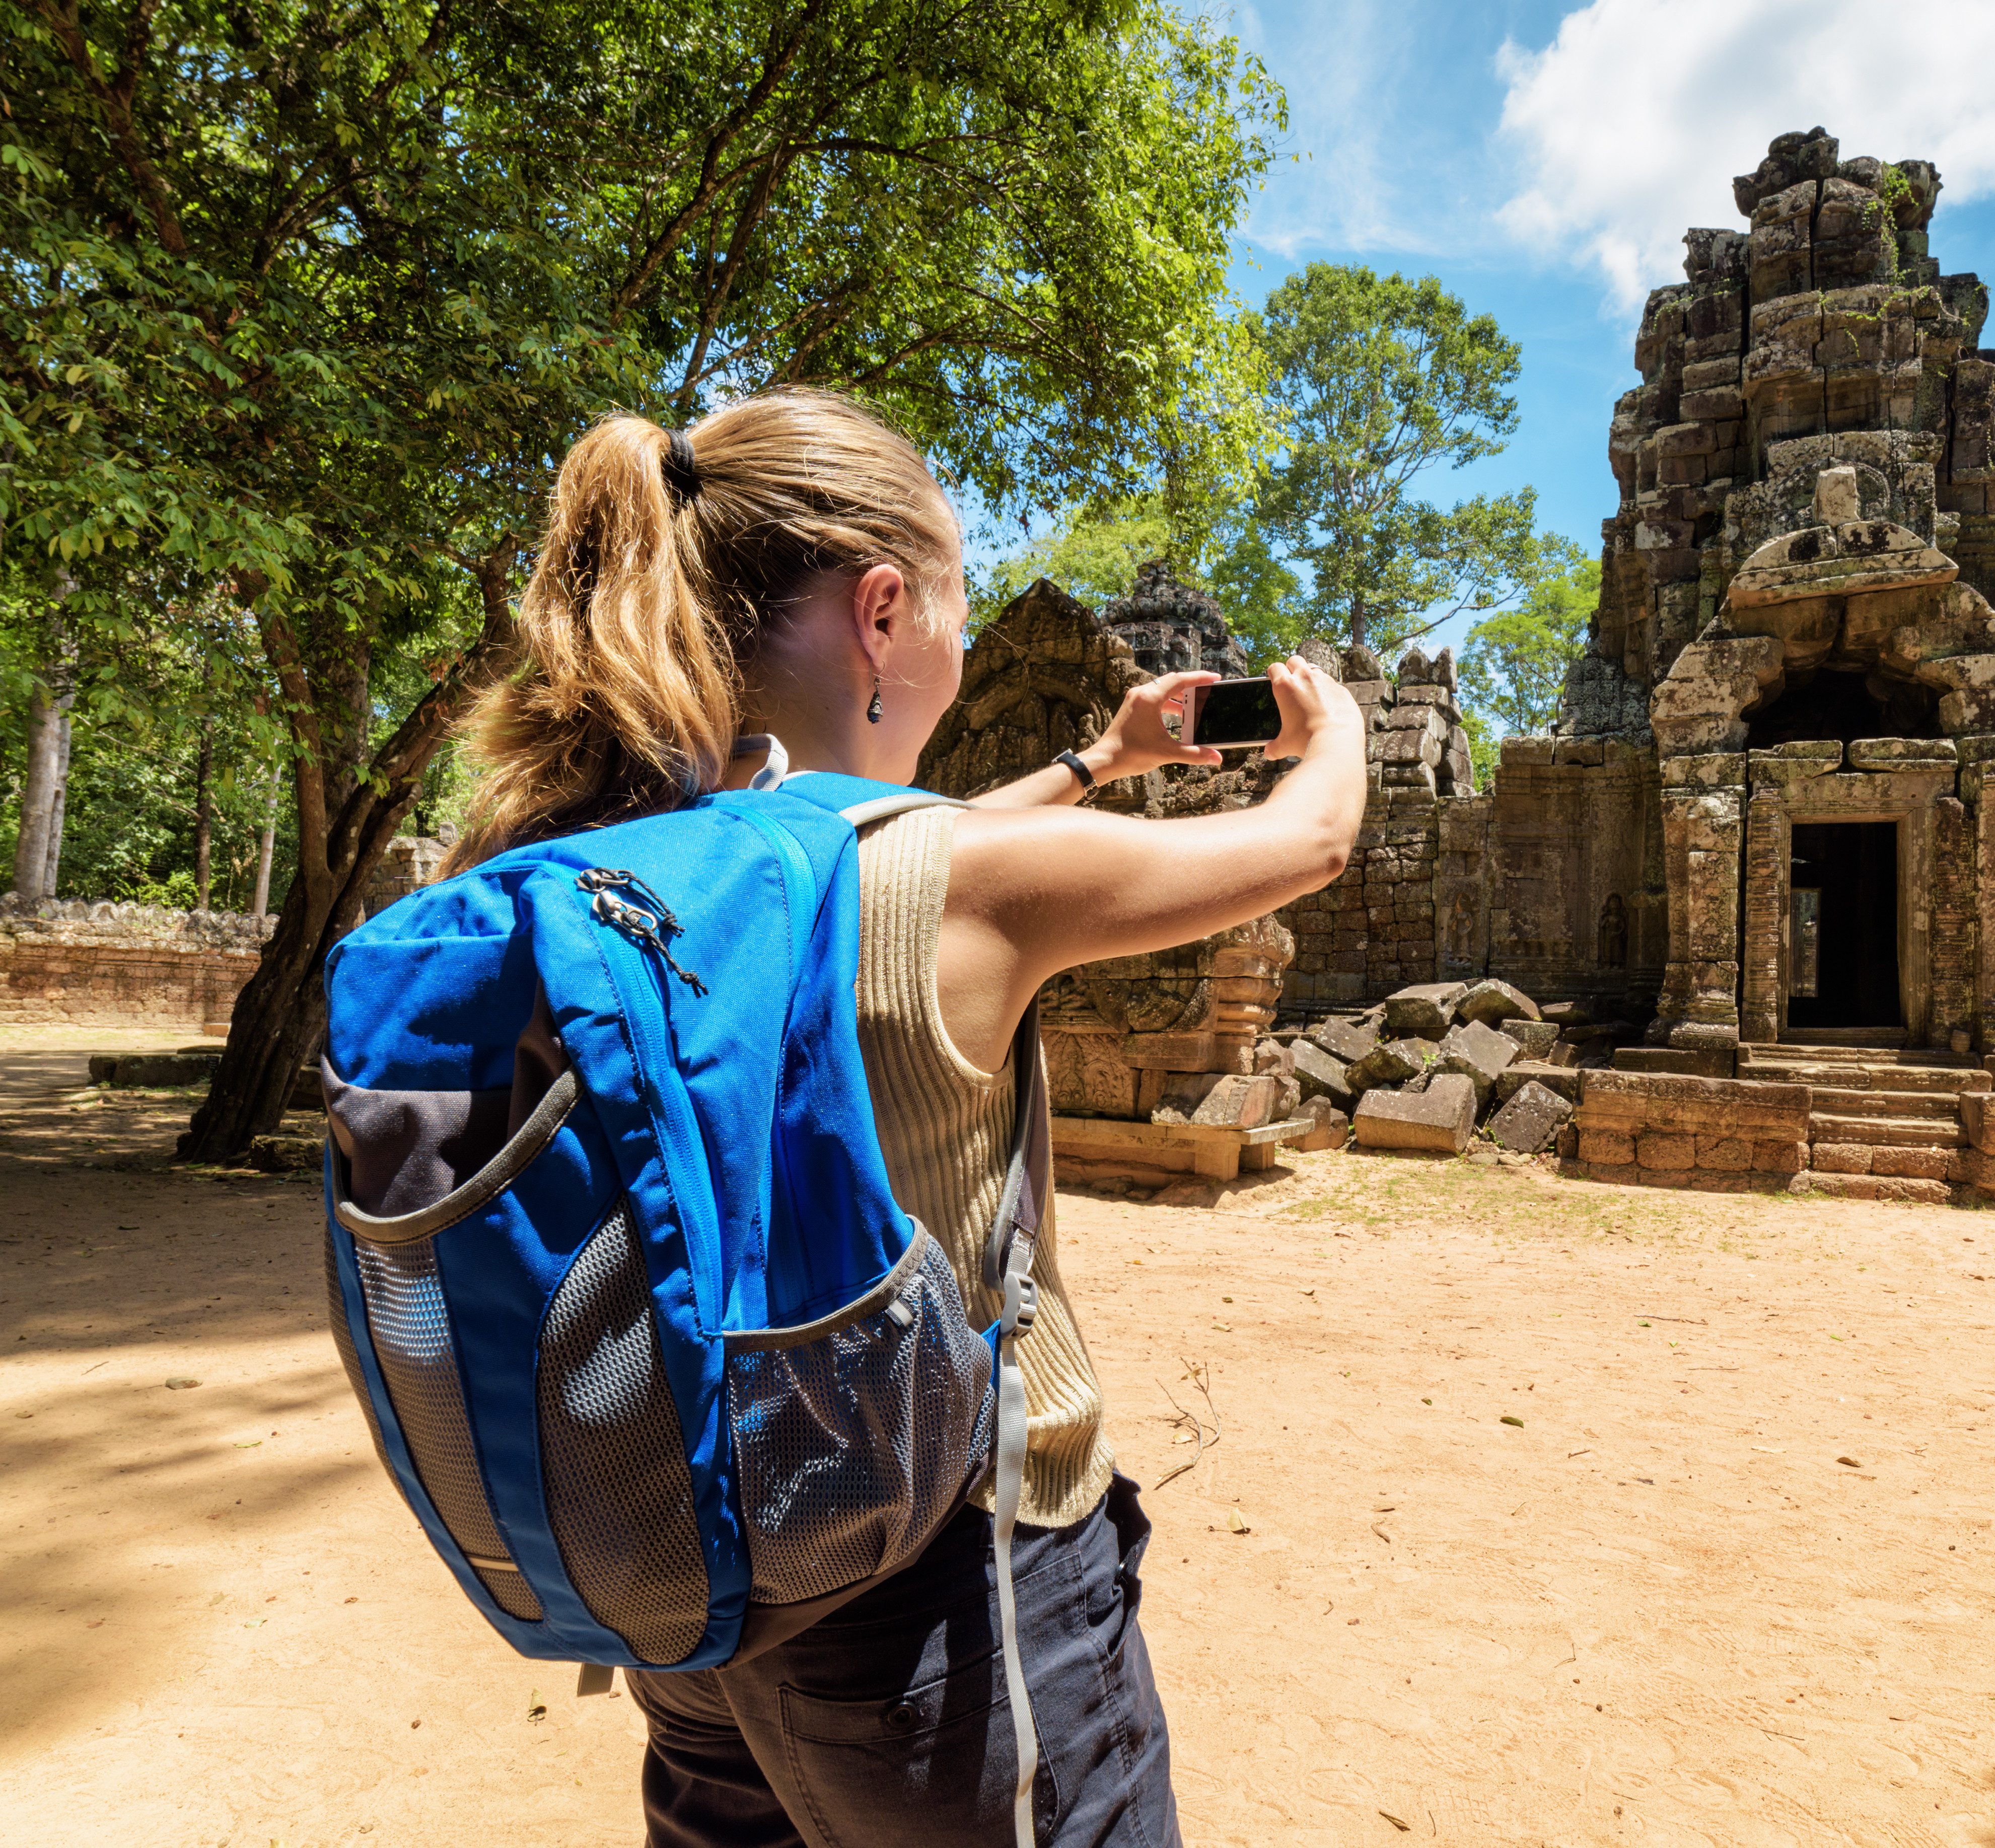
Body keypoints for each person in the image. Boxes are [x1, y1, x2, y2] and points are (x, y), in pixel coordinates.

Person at [450, 389, 1368, 1847]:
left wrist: (1096, 765)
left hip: (697, 1566)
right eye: (954, 600)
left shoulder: (604, 867)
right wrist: (1336, 725)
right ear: (883, 612)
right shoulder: (955, 884)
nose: (958, 635)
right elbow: (1306, 842)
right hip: (943, 1590)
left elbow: (856, 862)